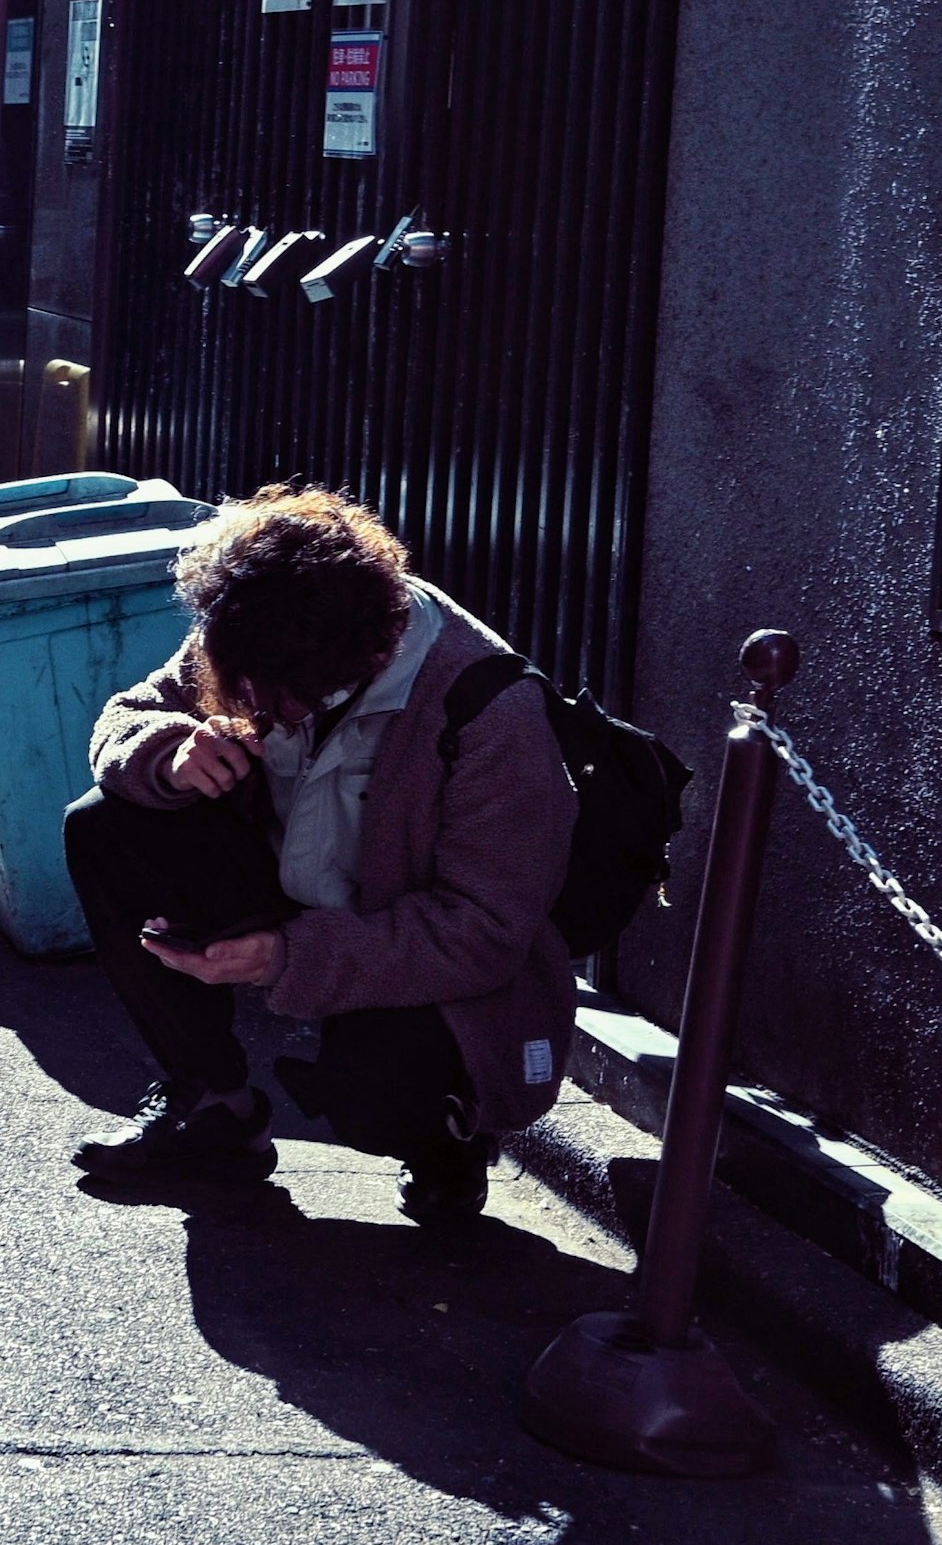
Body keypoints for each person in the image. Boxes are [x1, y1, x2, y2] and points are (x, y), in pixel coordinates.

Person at [60, 485, 576, 1225]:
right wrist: (169, 755)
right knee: (106, 824)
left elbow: (483, 932)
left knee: (377, 1090)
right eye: (240, 688)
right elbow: (132, 713)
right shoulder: (255, 625)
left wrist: (286, 956)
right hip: (288, 879)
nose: (256, 708)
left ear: (360, 657)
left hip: (419, 946)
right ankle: (213, 1108)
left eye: (282, 699)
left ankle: (446, 1141)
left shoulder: (491, 709)